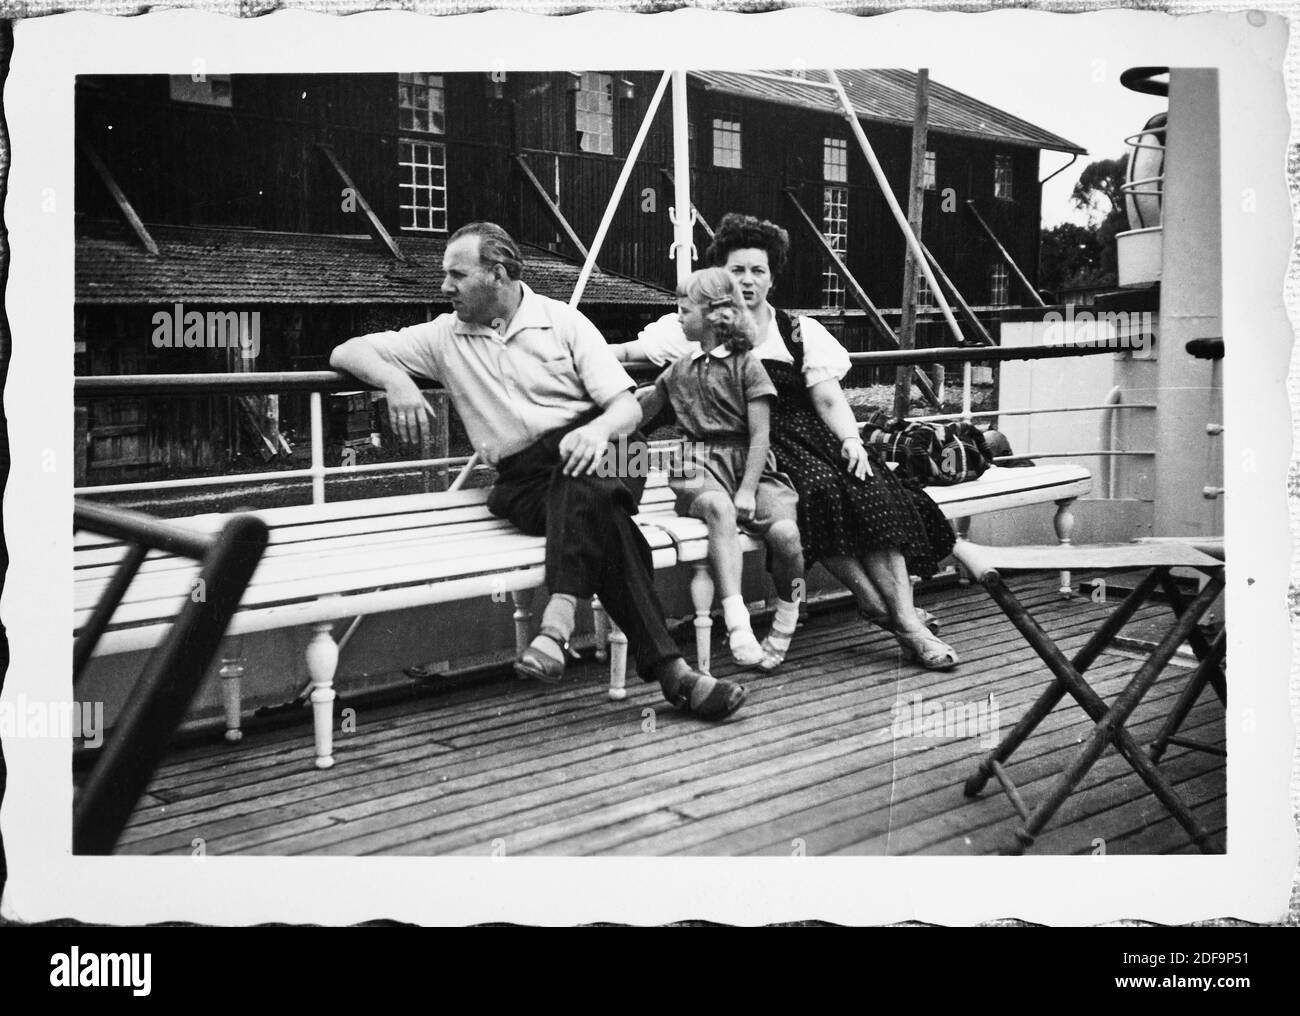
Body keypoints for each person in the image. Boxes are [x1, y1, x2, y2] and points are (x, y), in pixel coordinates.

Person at [330, 221, 746, 719]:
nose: (445, 287)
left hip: (617, 451)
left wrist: (592, 433)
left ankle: (558, 622)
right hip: (530, 480)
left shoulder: (563, 322)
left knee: (581, 464)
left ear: (499, 274)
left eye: (456, 275)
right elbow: (346, 350)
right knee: (605, 521)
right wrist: (396, 381)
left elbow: (627, 410)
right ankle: (674, 674)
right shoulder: (445, 337)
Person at [614, 213, 959, 669]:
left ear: (772, 278)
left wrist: (852, 441)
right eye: (737, 270)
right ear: (720, 278)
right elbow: (625, 355)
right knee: (818, 492)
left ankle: (894, 612)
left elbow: (829, 399)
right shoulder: (692, 332)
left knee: (870, 486)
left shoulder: (798, 331)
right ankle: (896, 616)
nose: (748, 280)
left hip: (812, 435)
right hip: (759, 445)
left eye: (758, 270)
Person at [636, 267, 805, 671]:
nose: (678, 317)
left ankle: (787, 617)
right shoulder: (679, 370)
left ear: (713, 315)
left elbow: (761, 437)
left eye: (683, 309)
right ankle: (738, 621)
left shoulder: (748, 366)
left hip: (751, 466)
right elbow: (640, 413)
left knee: (788, 538)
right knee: (718, 509)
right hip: (697, 464)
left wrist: (747, 490)